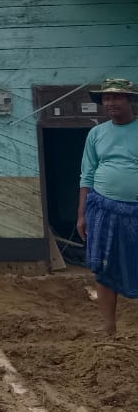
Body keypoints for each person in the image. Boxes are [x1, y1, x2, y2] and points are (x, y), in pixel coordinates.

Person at [78, 78, 138, 335]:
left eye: (117, 97)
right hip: (101, 209)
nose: (110, 103)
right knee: (103, 268)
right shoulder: (96, 133)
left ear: (131, 100)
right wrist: (82, 215)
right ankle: (108, 326)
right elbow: (87, 175)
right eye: (106, 98)